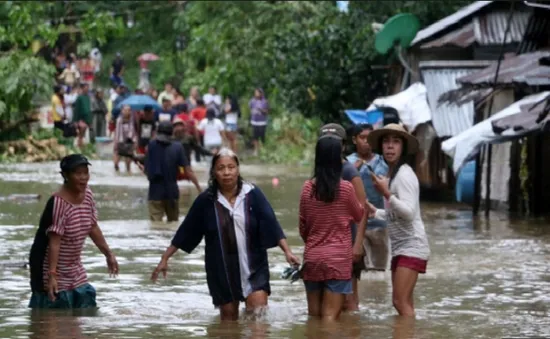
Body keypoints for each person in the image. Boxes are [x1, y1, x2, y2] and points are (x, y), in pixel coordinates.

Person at [151, 148, 300, 321]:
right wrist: (165, 258)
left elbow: (271, 223)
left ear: (238, 169)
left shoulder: (253, 194)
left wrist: (287, 252)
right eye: (221, 168)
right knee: (229, 322)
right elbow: (186, 230)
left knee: (258, 318)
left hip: (254, 266)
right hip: (221, 270)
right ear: (214, 172)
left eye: (231, 167)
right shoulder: (206, 201)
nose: (227, 172)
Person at [28, 154, 118, 309]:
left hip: (74, 265)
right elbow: (54, 242)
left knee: (83, 308)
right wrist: (52, 275)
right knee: (52, 316)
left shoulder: (88, 195)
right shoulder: (58, 203)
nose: (83, 178)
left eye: (86, 173)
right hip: (49, 266)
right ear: (66, 176)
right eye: (78, 173)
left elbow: (92, 226)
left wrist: (108, 254)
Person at [365, 123, 430, 317]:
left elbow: (409, 213)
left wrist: (386, 193)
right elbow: (396, 215)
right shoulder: (393, 174)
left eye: (395, 142)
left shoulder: (404, 175)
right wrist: (376, 212)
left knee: (400, 302)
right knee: (402, 302)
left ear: (403, 147)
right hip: (401, 247)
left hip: (412, 245)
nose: (390, 146)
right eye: (386, 142)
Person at [299, 135, 364, 321]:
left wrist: (315, 242)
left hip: (313, 257)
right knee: (330, 319)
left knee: (314, 317)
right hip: (338, 259)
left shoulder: (306, 188)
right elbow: (359, 215)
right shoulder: (346, 189)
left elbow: (302, 227)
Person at [318, 123, 367, 311]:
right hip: (327, 243)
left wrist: (358, 244)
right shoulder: (321, 171)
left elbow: (363, 211)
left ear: (343, 146)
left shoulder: (348, 172)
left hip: (348, 242)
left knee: (349, 301)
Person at [346, 124, 390, 271]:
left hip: (379, 222)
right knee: (359, 268)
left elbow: (387, 187)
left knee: (380, 268)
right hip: (356, 224)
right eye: (362, 138)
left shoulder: (382, 162)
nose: (366, 141)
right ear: (354, 140)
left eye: (369, 138)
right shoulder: (348, 163)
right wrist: (354, 170)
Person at [143, 121, 201, 222]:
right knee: (173, 224)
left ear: (157, 132)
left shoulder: (151, 145)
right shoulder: (178, 147)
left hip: (154, 193)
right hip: (172, 193)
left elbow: (147, 170)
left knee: (155, 227)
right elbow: (188, 171)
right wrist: (199, 189)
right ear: (172, 133)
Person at [113, 105, 137, 173]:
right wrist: (116, 143)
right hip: (120, 142)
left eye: (128, 110)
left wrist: (134, 142)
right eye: (125, 110)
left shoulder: (133, 120)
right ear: (122, 111)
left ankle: (128, 173)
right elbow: (117, 132)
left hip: (130, 142)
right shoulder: (119, 120)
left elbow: (134, 132)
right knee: (116, 164)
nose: (127, 112)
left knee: (128, 165)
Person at [249, 88, 269, 156]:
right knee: (255, 137)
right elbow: (250, 109)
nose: (256, 94)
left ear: (261, 94)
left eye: (257, 92)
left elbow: (267, 111)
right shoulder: (252, 101)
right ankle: (256, 150)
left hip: (262, 122)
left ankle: (263, 150)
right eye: (255, 92)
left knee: (262, 136)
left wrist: (261, 110)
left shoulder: (265, 101)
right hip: (254, 121)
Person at [73, 83, 92, 148]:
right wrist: (75, 120)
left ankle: (81, 145)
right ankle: (79, 145)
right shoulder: (79, 97)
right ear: (82, 88)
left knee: (84, 132)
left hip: (87, 118)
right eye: (85, 88)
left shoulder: (88, 97)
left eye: (87, 88)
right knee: (81, 132)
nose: (87, 89)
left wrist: (90, 120)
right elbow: (76, 109)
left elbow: (89, 108)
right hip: (80, 118)